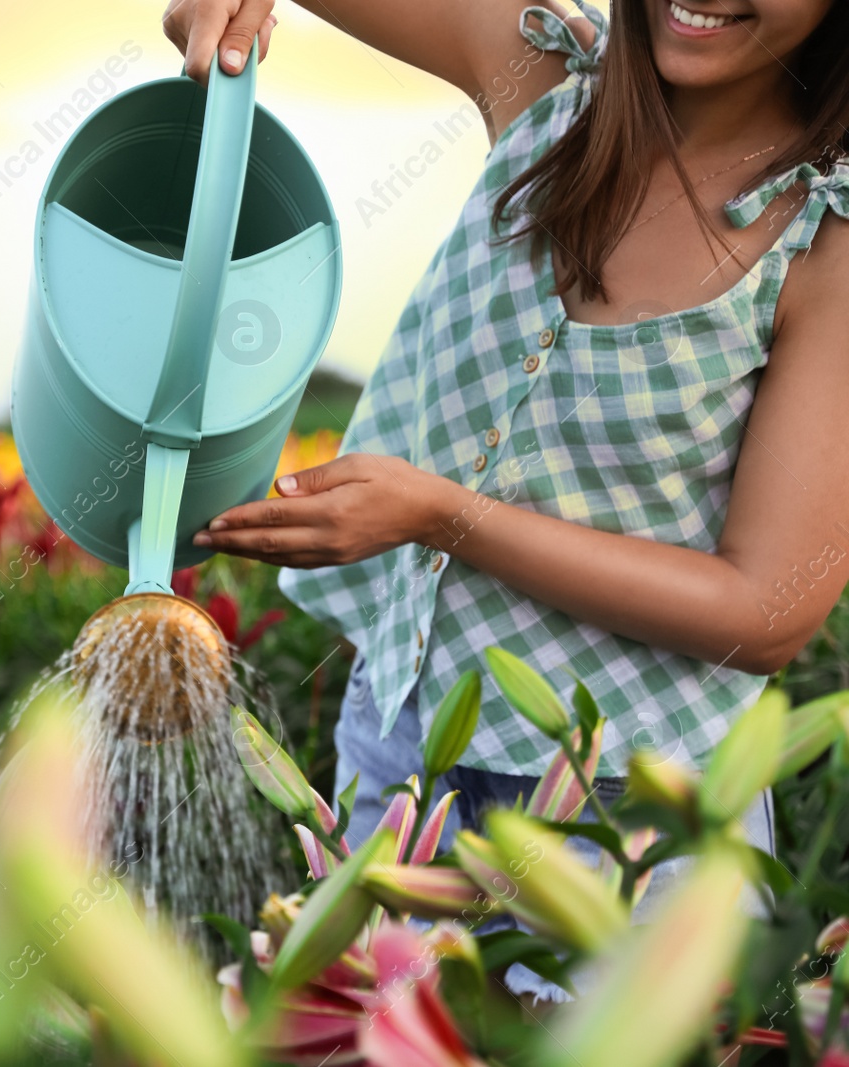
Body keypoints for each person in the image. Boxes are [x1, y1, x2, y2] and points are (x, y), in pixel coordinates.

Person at [167, 0, 849, 999]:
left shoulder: (823, 242)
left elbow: (767, 610)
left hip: (628, 843)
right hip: (403, 761)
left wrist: (444, 514)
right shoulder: (543, 78)